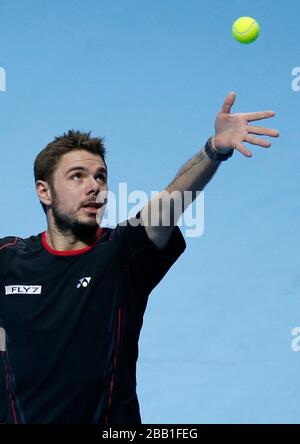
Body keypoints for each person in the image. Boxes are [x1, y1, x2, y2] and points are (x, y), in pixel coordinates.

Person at [0, 92, 279, 424]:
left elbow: (167, 204)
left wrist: (213, 150)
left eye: (100, 176)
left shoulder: (120, 253)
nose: (94, 187)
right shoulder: (8, 258)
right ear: (44, 191)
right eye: (78, 176)